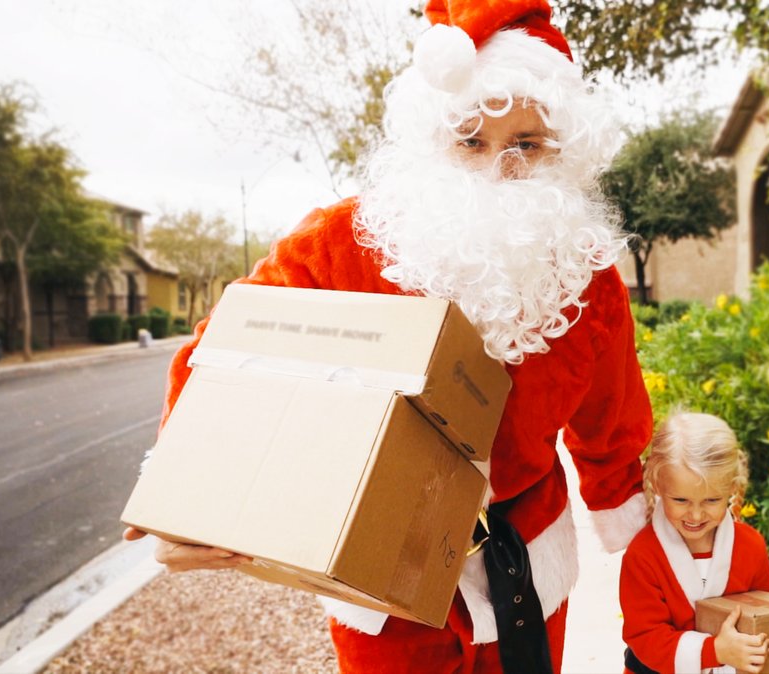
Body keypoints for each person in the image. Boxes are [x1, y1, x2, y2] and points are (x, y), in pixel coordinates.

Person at [124, 1, 654, 673]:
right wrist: (187, 498)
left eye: (527, 144)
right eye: (472, 140)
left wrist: (651, 547)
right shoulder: (341, 242)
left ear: (564, 150)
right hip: (377, 567)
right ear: (433, 140)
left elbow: (613, 427)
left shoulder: (587, 275)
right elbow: (228, 349)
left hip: (527, 567)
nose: (499, 169)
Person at [619, 412, 769, 674]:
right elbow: (645, 637)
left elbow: (767, 618)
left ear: (730, 489)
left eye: (711, 500)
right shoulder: (643, 554)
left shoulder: (750, 546)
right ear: (658, 486)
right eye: (681, 500)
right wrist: (714, 651)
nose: (695, 515)